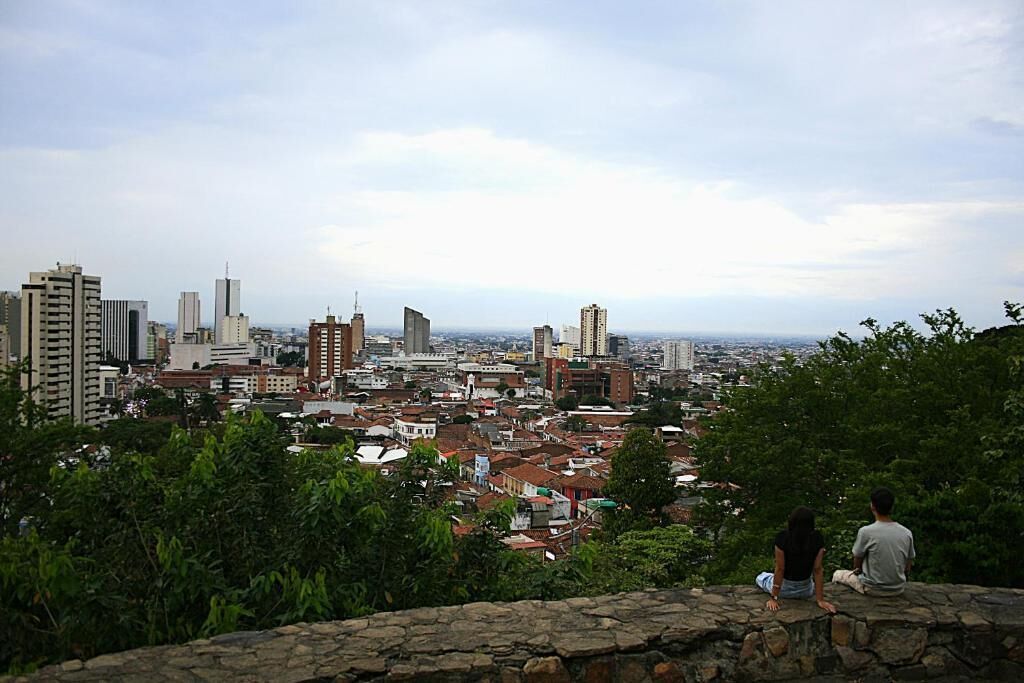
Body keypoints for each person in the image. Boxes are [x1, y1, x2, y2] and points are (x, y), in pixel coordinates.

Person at [832, 487, 915, 596]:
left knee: (838, 574)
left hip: (873, 588)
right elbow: (908, 565)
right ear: (891, 507)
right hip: (898, 588)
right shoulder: (906, 532)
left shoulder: (866, 531)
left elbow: (857, 563)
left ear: (872, 506)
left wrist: (858, 572)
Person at [756, 506, 837, 613]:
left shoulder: (783, 538)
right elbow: (817, 569)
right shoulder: (817, 538)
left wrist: (774, 598)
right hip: (806, 590)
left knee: (761, 577)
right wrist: (820, 599)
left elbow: (780, 569)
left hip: (784, 589)